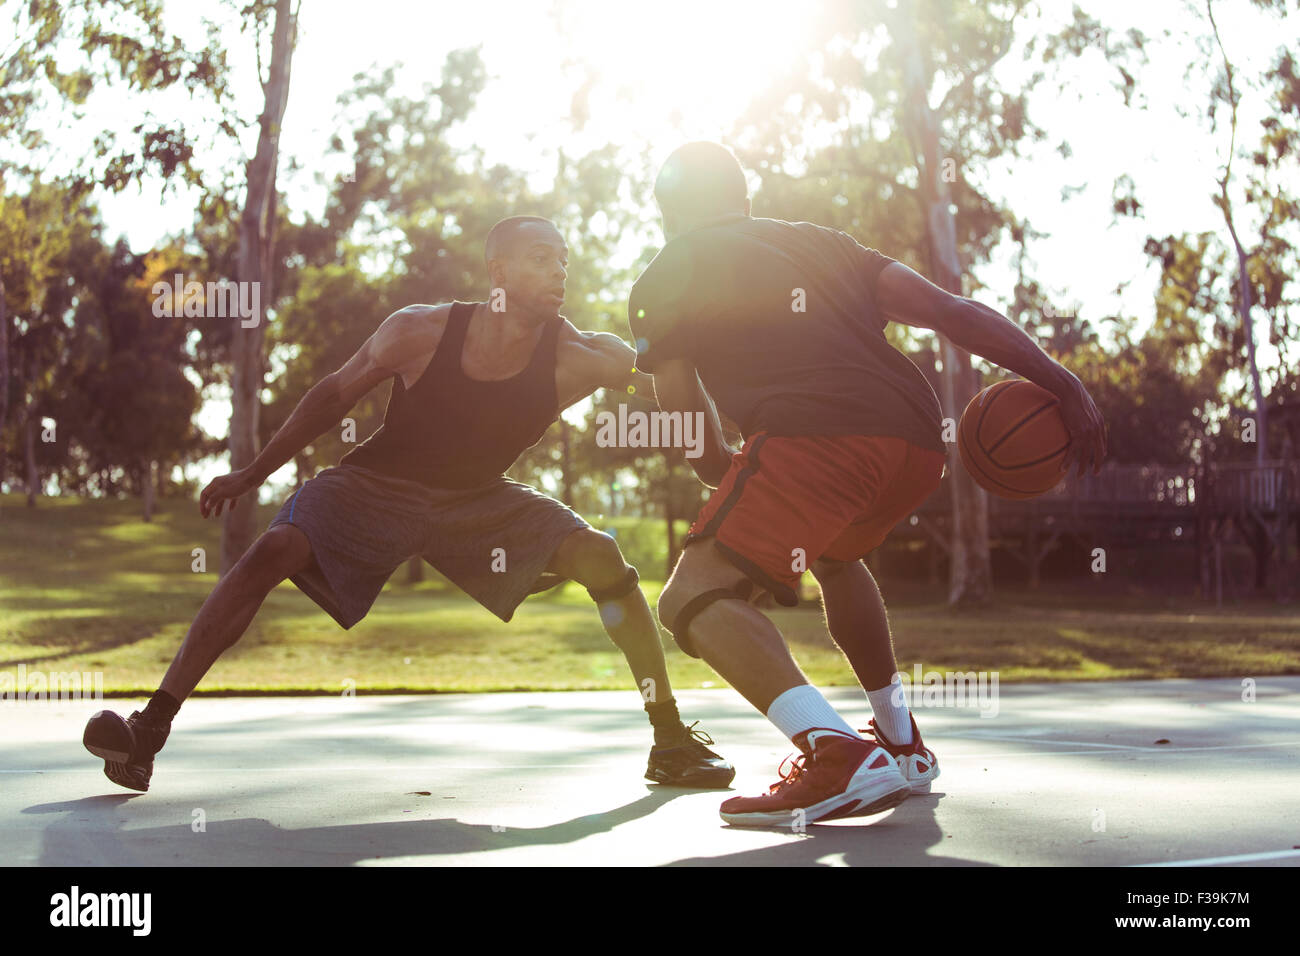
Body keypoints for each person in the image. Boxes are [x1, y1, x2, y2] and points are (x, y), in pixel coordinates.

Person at [83, 215, 734, 794]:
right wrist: (253, 473)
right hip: (375, 486)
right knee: (275, 547)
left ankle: (671, 740)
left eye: (564, 258)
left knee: (600, 554)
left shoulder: (582, 355)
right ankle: (150, 730)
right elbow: (333, 397)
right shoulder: (419, 332)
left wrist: (746, 438)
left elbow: (675, 386)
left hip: (479, 500)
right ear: (498, 270)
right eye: (541, 256)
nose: (559, 269)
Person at [630, 142, 1106, 826]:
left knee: (691, 598)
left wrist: (720, 472)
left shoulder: (667, 271)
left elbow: (680, 407)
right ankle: (901, 742)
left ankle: (834, 754)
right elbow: (951, 311)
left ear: (668, 211)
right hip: (916, 444)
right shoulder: (823, 245)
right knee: (835, 554)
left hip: (819, 435)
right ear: (743, 195)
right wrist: (1062, 381)